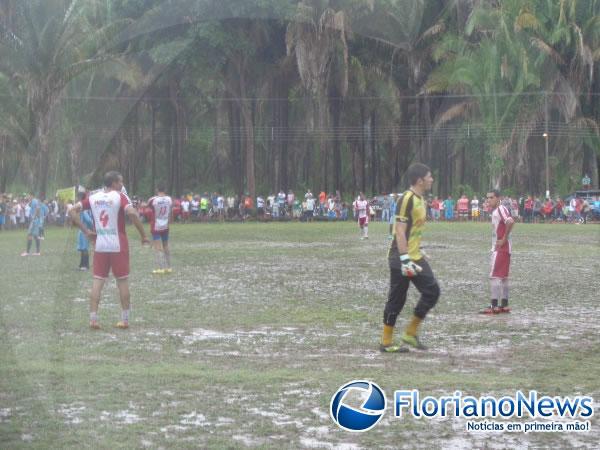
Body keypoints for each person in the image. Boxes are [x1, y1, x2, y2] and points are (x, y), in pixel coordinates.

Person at [70, 171, 149, 330]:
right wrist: (143, 235)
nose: (122, 185)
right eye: (120, 182)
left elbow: (71, 211)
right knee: (122, 281)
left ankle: (93, 319)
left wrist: (86, 232)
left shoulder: (92, 198)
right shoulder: (120, 196)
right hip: (118, 242)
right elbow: (132, 213)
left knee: (98, 281)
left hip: (100, 243)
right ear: (114, 183)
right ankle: (125, 320)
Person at [381, 163, 440, 353]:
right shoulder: (406, 199)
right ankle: (386, 342)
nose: (432, 179)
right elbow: (398, 230)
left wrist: (418, 249)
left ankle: (410, 333)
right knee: (397, 299)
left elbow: (413, 230)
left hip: (415, 256)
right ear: (420, 180)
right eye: (429, 176)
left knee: (432, 291)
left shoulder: (421, 200)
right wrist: (405, 258)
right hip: (400, 257)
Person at [480, 189, 515, 314]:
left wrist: (504, 238)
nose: (489, 200)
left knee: (494, 276)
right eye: (487, 198)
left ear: (498, 198)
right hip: (506, 249)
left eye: (491, 197)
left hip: (501, 248)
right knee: (504, 277)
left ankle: (493, 306)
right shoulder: (498, 210)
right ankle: (504, 305)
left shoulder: (500, 209)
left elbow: (510, 221)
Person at [148, 186, 173, 274]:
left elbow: (149, 206)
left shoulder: (153, 200)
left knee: (158, 248)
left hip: (156, 226)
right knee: (166, 246)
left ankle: (160, 268)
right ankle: (169, 267)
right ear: (165, 190)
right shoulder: (169, 199)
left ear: (157, 190)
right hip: (165, 225)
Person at [76, 191, 93, 271]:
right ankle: (81, 264)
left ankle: (85, 265)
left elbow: (88, 220)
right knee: (82, 248)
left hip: (84, 231)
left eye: (78, 197)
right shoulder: (80, 209)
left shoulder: (83, 209)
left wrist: (90, 228)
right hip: (81, 230)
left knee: (84, 248)